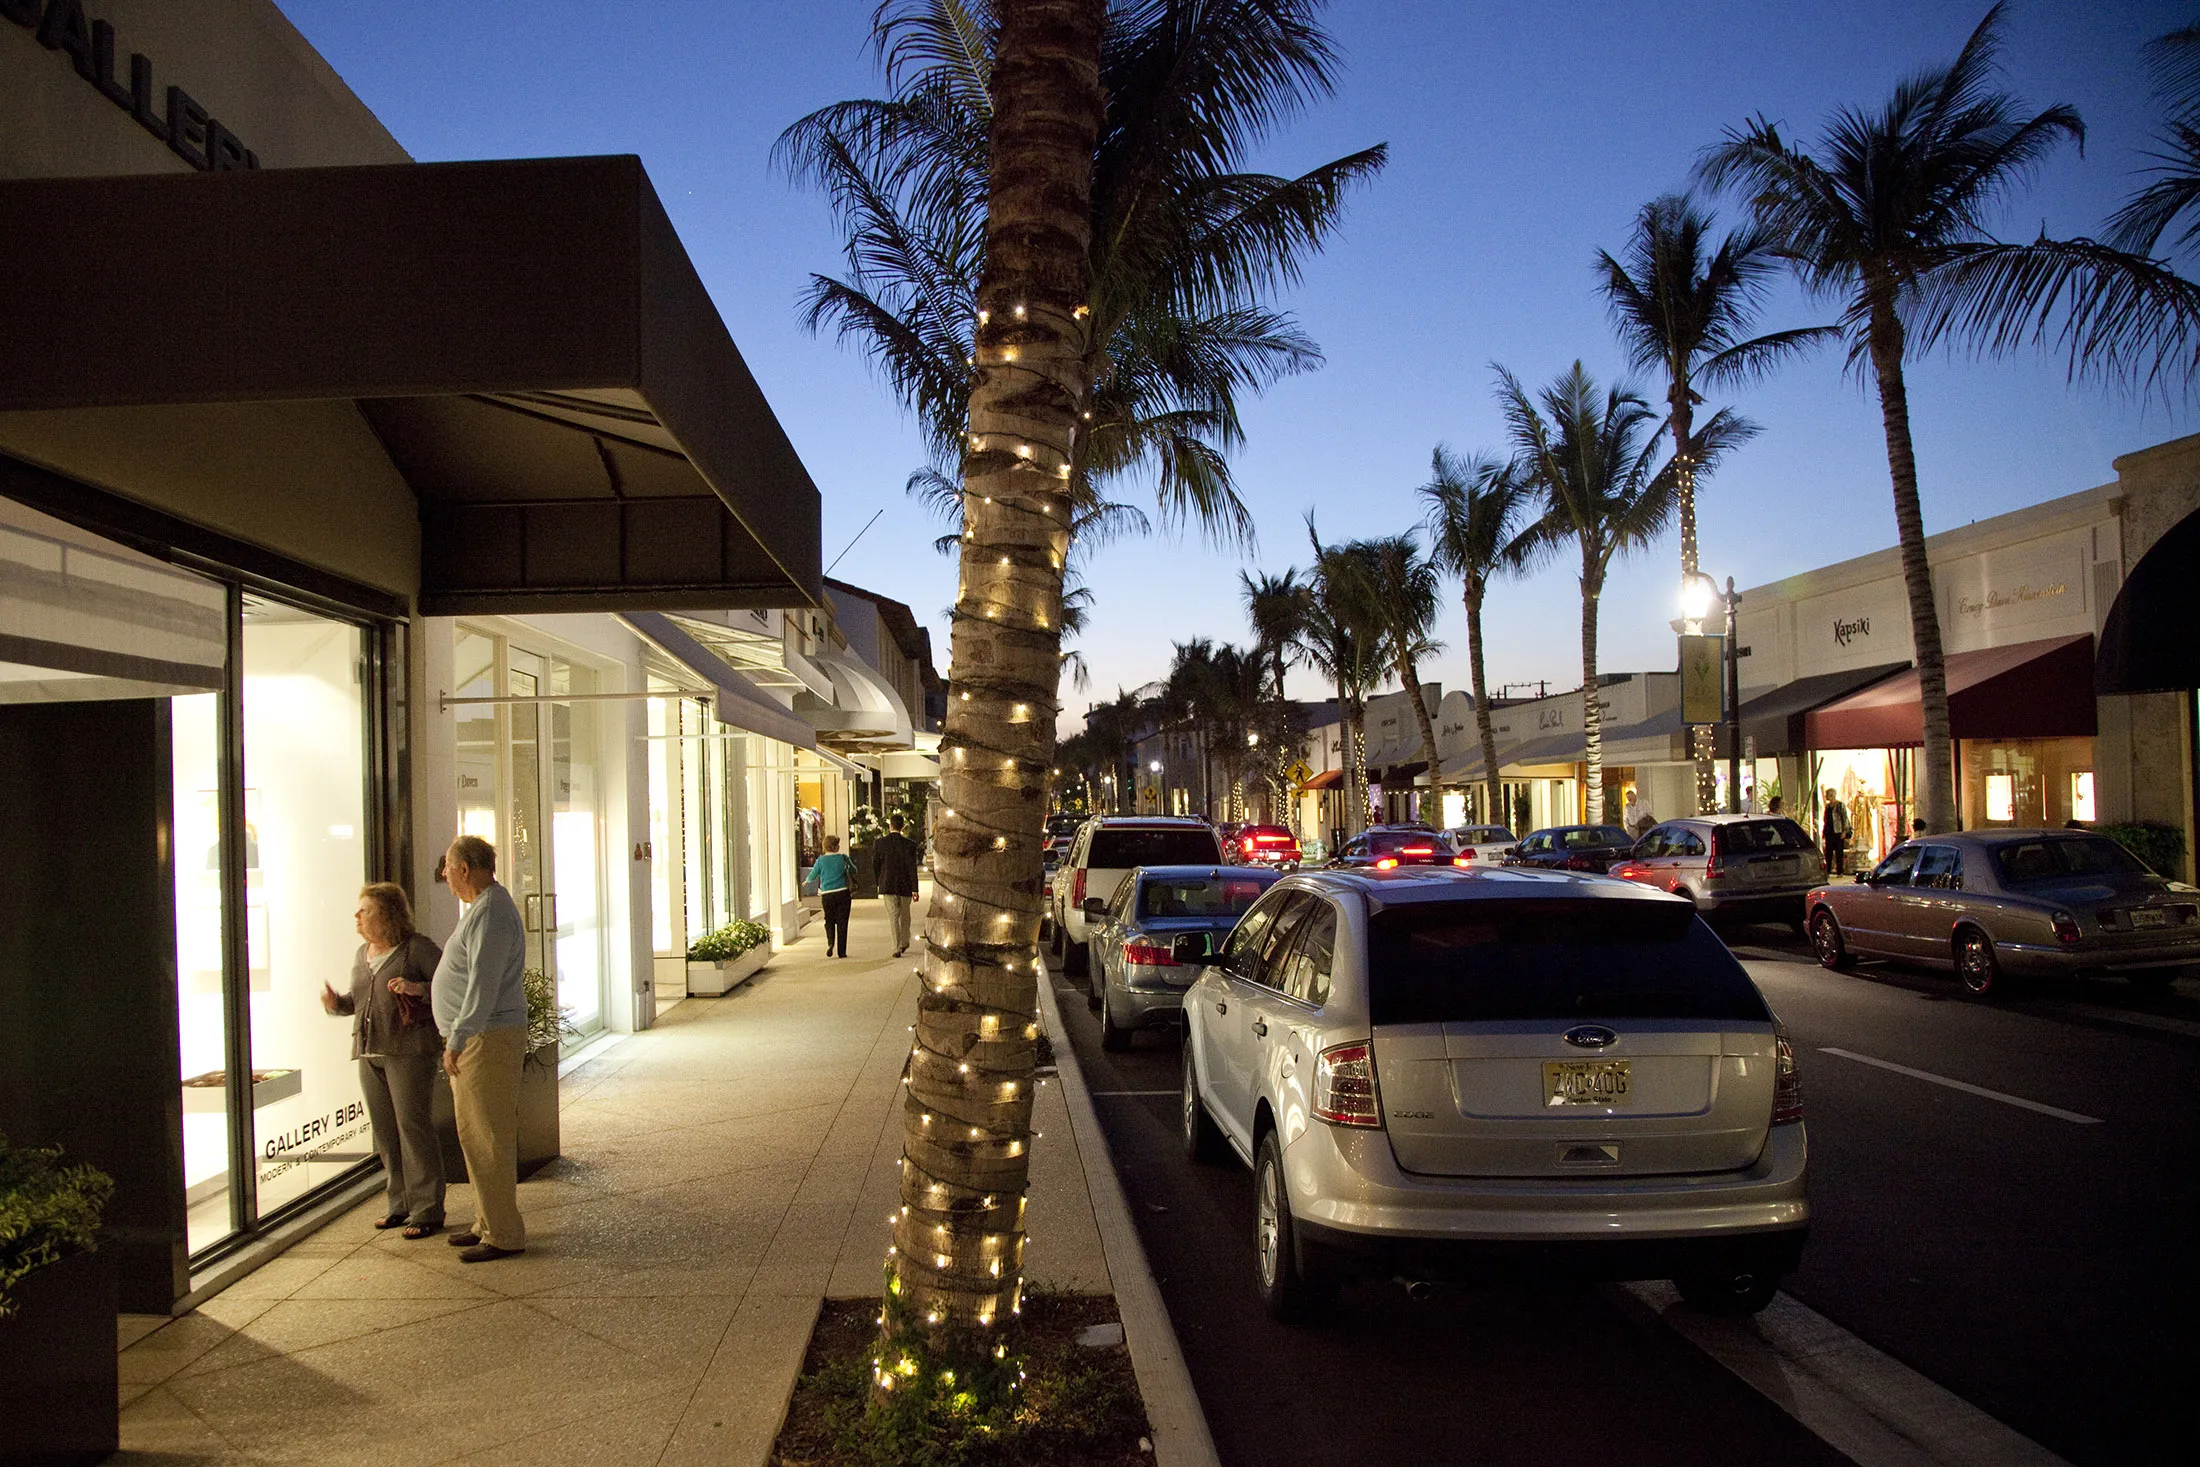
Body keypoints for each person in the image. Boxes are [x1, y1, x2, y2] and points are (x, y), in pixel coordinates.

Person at [321, 883, 446, 1238]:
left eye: (366, 910)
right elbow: (357, 1002)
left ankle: (427, 1209)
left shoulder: (416, 949)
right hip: (369, 1052)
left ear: (388, 914)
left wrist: (415, 988)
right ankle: (399, 1204)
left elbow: (448, 985)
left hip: (409, 1052)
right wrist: (336, 1005)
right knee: (386, 1132)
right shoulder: (363, 953)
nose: (357, 917)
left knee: (413, 1127)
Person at [432, 836, 529, 1262]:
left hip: (485, 1039)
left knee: (487, 1136)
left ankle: (503, 1234)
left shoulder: (490, 913)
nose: (444, 875)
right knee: (474, 1135)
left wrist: (458, 1037)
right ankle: (486, 1222)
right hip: (480, 1036)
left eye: (448, 867)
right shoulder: (483, 910)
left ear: (465, 869)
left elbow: (482, 985)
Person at [874, 814, 921, 958]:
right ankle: (904, 941)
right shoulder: (910, 844)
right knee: (905, 915)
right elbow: (912, 867)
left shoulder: (880, 843)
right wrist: (915, 888)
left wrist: (878, 881)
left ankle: (896, 947)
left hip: (887, 884)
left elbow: (875, 864)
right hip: (905, 885)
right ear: (902, 827)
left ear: (890, 826)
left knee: (893, 916)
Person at [813, 834, 853, 957]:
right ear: (836, 847)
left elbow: (813, 875)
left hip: (827, 895)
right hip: (842, 893)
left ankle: (830, 942)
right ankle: (842, 952)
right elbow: (854, 870)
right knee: (842, 922)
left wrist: (807, 881)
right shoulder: (843, 858)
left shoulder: (820, 860)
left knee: (829, 920)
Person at [1821, 788, 1851, 874]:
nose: (1826, 797)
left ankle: (1840, 871)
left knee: (1839, 852)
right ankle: (1828, 870)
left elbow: (1844, 818)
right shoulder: (1827, 806)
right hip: (1829, 831)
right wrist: (1824, 832)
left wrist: (1844, 831)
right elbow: (1826, 819)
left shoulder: (1840, 805)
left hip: (1838, 831)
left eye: (1828, 795)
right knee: (1828, 852)